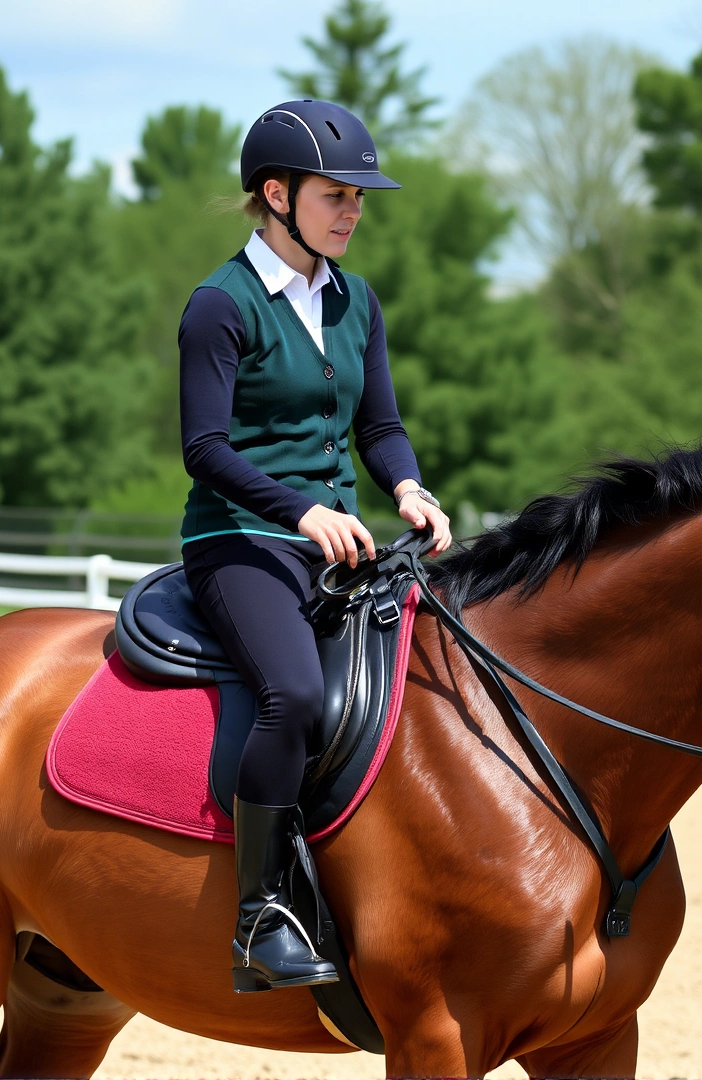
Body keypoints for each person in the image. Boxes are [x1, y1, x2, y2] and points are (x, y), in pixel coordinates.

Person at [177, 99, 453, 993]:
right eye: (337, 195)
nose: (353, 212)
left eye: (359, 198)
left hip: (340, 544)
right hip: (241, 541)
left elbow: (380, 426)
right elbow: (205, 449)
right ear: (276, 194)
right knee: (293, 694)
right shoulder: (220, 307)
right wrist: (302, 513)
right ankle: (260, 916)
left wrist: (407, 486)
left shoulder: (354, 298)